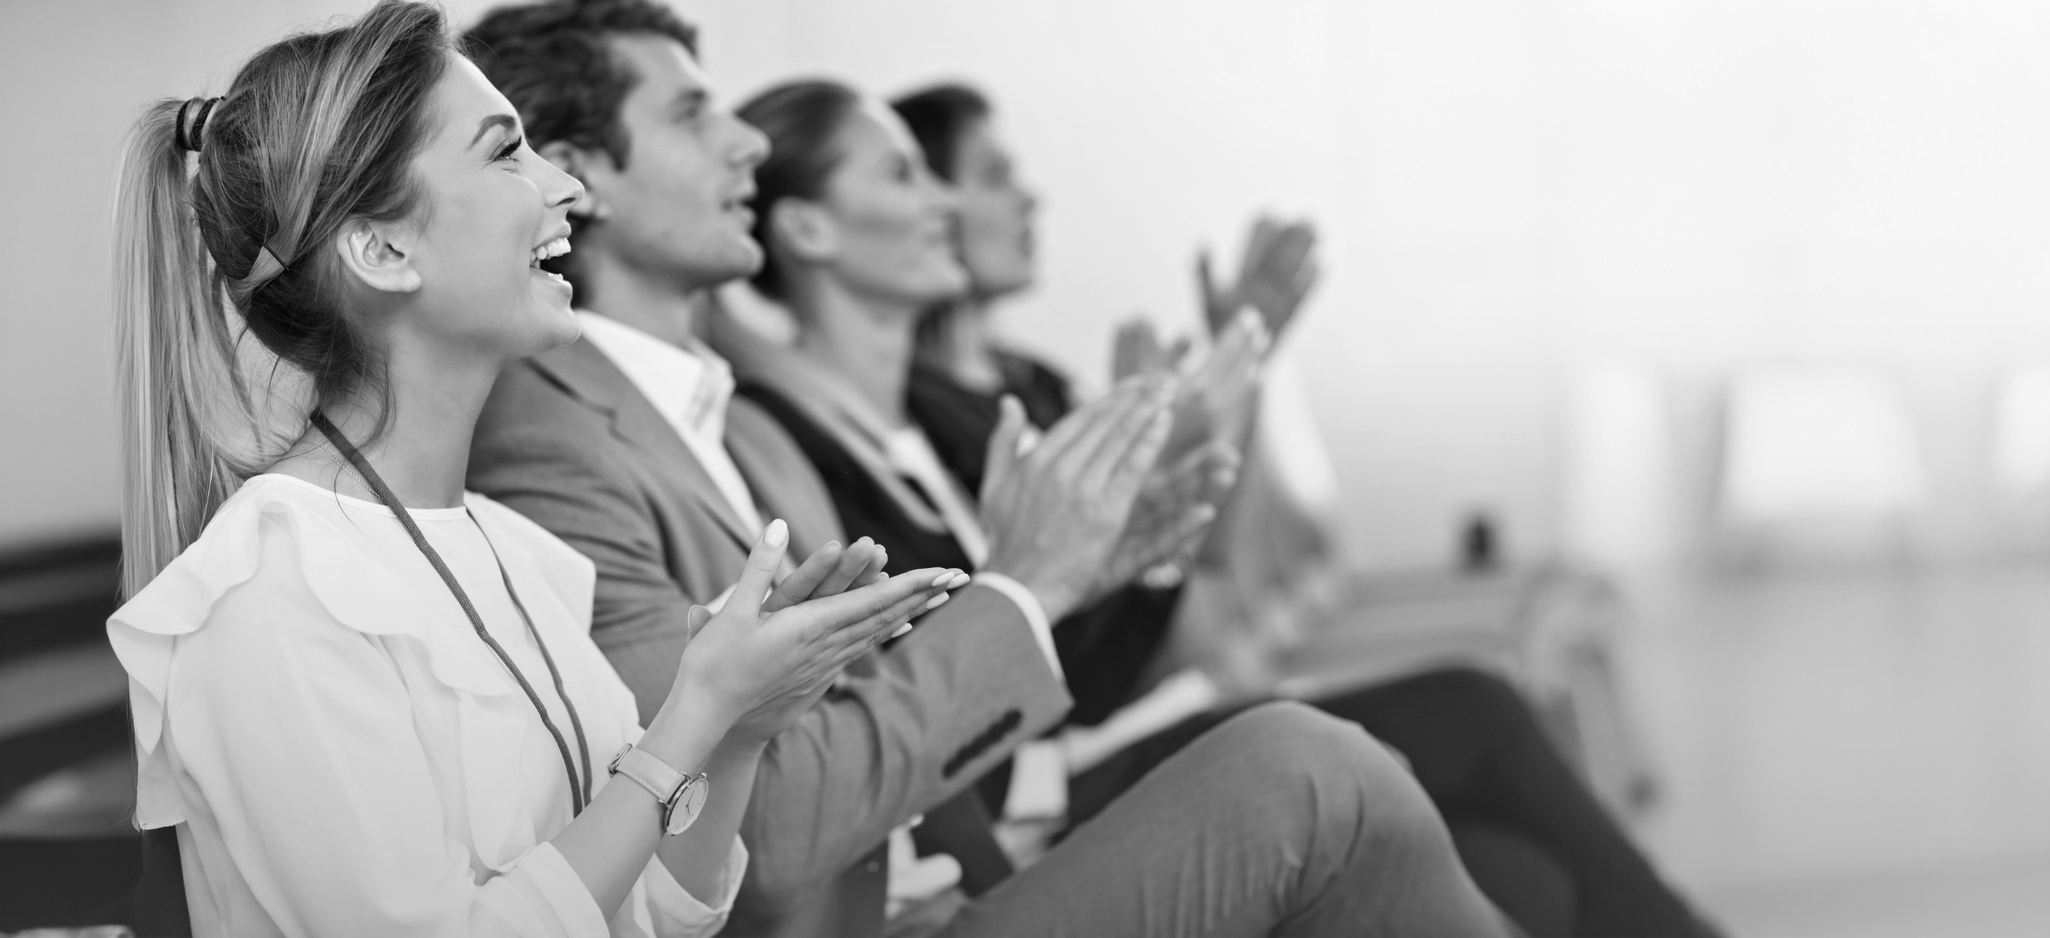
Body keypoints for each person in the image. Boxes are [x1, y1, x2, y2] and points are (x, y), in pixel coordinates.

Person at [458, 4, 1515, 937]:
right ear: (580, 173)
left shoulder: (743, 429)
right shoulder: (549, 443)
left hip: (937, 868)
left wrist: (1087, 567)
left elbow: (866, 709)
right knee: (1310, 772)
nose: (741, 142)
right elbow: (749, 829)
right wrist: (1032, 580)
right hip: (893, 887)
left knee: (1434, 815)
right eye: (693, 115)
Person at [103, 4, 967, 935]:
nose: (564, 187)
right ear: (383, 249)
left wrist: (741, 728)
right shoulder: (268, 593)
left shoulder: (516, 550)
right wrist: (694, 709)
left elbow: (659, 913)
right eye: (506, 152)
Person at [879, 80, 1729, 938]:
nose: (1028, 196)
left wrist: (1234, 379)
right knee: (1476, 709)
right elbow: (1102, 648)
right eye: (989, 174)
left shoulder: (1035, 383)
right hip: (1075, 766)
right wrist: (1194, 429)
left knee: (1528, 876)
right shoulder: (920, 421)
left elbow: (1189, 575)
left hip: (1143, 716)